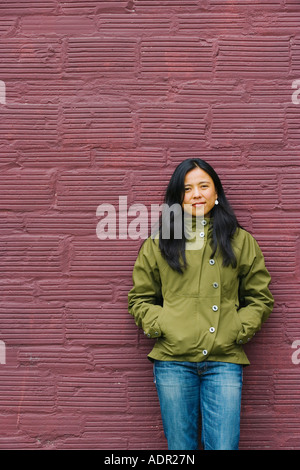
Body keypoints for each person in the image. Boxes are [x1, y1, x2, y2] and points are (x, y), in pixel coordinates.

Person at [128, 158, 274, 450]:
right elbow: (140, 298)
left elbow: (260, 297)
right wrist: (163, 325)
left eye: (204, 186)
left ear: (216, 192)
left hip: (224, 361)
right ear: (176, 199)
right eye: (187, 189)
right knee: (180, 449)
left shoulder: (241, 242)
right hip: (172, 361)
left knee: (223, 446)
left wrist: (238, 328)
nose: (196, 194)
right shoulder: (159, 244)